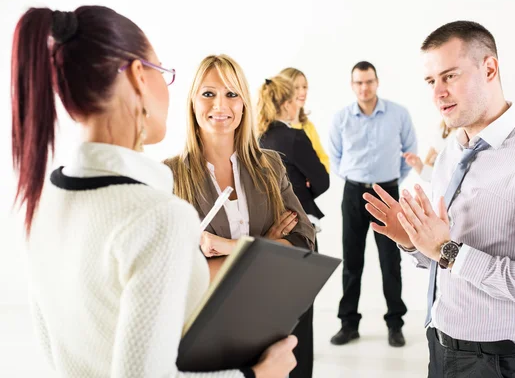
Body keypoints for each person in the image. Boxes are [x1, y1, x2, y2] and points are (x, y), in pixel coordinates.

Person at [11, 7, 297, 378]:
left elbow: (60, 354)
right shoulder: (159, 216)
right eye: (163, 72)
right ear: (138, 77)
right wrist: (256, 375)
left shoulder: (39, 204)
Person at [364, 21, 515, 377]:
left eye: (449, 76)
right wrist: (413, 242)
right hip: (442, 345)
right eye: (431, 81)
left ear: (490, 68)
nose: (438, 93)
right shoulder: (453, 150)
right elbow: (445, 255)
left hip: (505, 363)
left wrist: (447, 249)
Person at [163, 55, 315, 281]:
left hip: (268, 306)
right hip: (204, 312)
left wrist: (229, 247)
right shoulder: (169, 175)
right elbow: (173, 266)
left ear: (243, 104)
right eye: (208, 94)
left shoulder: (270, 165)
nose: (220, 105)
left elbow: (304, 241)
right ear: (192, 103)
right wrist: (266, 246)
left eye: (232, 94)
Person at [328, 61, 417, 347]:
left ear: (377, 82)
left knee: (391, 261)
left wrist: (389, 182)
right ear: (352, 85)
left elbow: (409, 153)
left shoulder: (398, 114)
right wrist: (357, 179)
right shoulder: (341, 118)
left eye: (368, 81)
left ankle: (395, 324)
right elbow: (336, 158)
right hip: (353, 194)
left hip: (387, 193)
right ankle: (348, 324)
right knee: (352, 262)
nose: (364, 88)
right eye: (358, 83)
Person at [257, 75, 329, 378]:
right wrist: (304, 188)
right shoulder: (294, 137)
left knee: (272, 320)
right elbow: (322, 181)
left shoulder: (256, 139)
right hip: (299, 234)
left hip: (269, 234)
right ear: (287, 104)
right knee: (302, 321)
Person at [279, 67, 330, 173]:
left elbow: (323, 159)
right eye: (296, 87)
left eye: (305, 87)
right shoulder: (270, 128)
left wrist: (315, 176)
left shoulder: (307, 126)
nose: (302, 92)